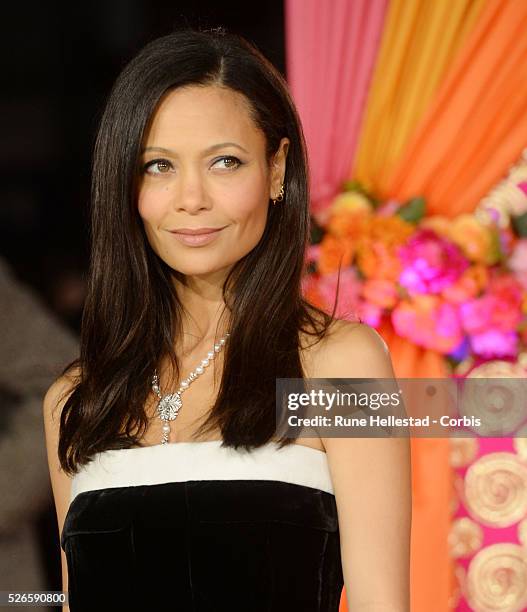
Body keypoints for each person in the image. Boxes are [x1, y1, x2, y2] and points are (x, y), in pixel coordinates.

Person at [43, 27, 411, 612]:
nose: (191, 198)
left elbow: (382, 604)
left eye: (224, 162)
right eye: (158, 166)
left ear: (276, 169)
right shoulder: (77, 399)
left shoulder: (342, 368)